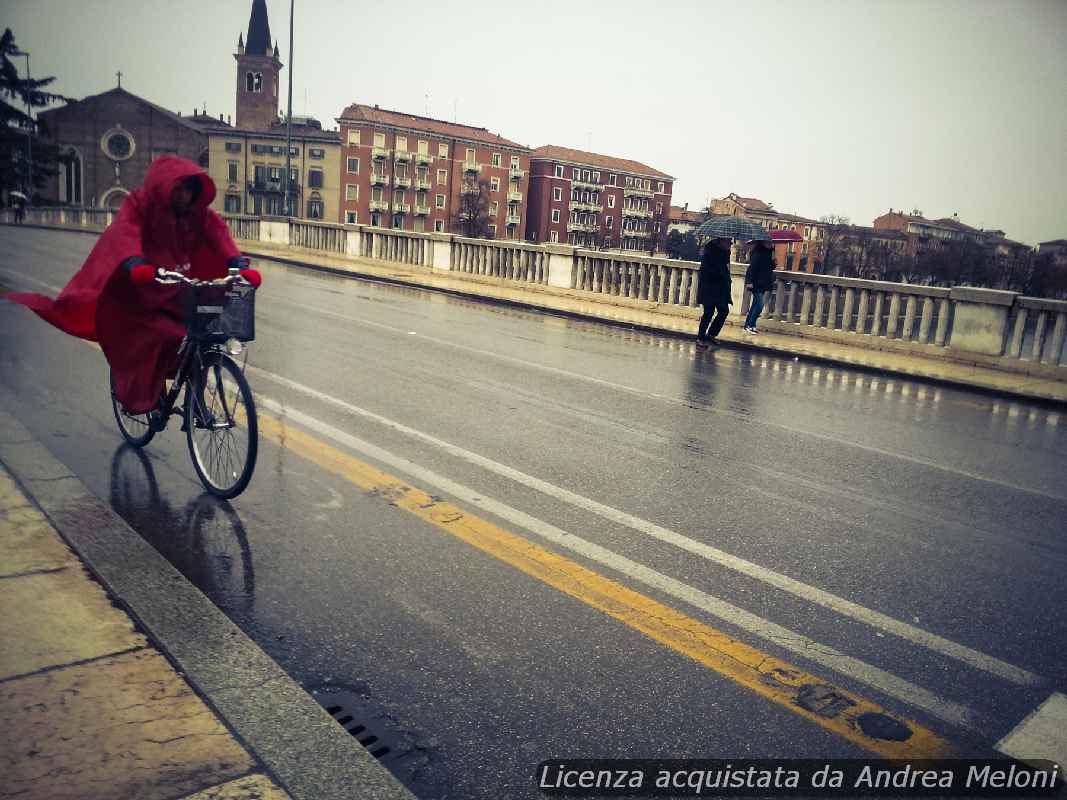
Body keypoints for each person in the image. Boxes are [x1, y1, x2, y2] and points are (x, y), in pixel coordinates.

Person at [7, 155, 261, 421]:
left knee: (200, 336)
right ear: (167, 186)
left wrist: (238, 264)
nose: (185, 196)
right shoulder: (140, 205)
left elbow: (218, 234)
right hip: (146, 290)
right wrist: (136, 264)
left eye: (190, 190)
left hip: (178, 288)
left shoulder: (197, 214)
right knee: (161, 335)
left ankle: (195, 401)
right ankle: (147, 392)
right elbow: (125, 232)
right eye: (180, 188)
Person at [697, 236, 732, 343]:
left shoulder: (725, 253)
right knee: (708, 312)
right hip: (708, 288)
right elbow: (705, 271)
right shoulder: (709, 253)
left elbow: (725, 268)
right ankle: (700, 337)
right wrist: (720, 274)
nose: (731, 243)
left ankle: (711, 334)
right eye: (728, 241)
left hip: (720, 289)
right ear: (721, 241)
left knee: (724, 311)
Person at [743, 239, 775, 334]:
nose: (770, 244)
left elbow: (766, 268)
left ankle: (748, 325)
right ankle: (750, 325)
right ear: (763, 243)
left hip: (763, 282)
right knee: (760, 305)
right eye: (768, 242)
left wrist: (773, 264)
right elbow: (751, 268)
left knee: (755, 305)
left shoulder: (768, 253)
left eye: (771, 243)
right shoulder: (758, 253)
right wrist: (749, 281)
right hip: (755, 282)